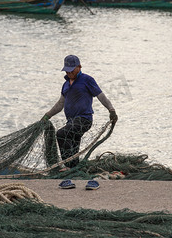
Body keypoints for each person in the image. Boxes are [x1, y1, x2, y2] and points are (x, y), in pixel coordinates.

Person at [42, 55, 118, 189]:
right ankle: (78, 179)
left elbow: (101, 96)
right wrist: (47, 115)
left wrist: (111, 110)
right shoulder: (65, 84)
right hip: (71, 122)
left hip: (84, 119)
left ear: (79, 67)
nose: (69, 72)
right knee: (72, 148)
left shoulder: (87, 80)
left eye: (72, 70)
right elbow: (60, 104)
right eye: (67, 70)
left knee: (61, 134)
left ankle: (69, 168)